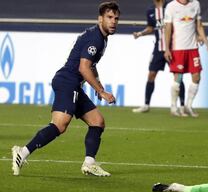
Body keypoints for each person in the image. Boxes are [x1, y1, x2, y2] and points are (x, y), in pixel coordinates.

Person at [11, 1, 120, 177]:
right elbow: (83, 68)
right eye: (109, 17)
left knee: (97, 122)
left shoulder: (101, 37)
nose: (113, 21)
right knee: (60, 125)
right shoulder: (96, 38)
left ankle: (89, 163)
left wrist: (98, 84)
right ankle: (22, 153)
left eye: (116, 18)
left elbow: (91, 65)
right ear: (100, 18)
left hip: (73, 83)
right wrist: (101, 91)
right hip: (67, 82)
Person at [132, 0, 187, 116]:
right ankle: (146, 105)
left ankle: (182, 106)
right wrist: (140, 34)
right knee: (151, 74)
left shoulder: (171, 6)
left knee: (177, 76)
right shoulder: (150, 10)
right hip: (158, 49)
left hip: (173, 48)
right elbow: (151, 28)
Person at [164, 0, 208, 117]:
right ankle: (173, 106)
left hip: (193, 48)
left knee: (197, 76)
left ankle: (188, 106)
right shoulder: (171, 6)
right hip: (178, 48)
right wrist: (167, 48)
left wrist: (207, 43)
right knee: (178, 78)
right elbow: (168, 28)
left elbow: (199, 25)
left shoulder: (195, 4)